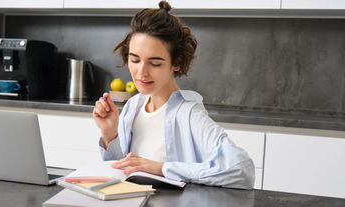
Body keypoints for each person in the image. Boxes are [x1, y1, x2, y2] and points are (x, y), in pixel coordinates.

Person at [93, 1, 255, 189]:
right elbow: (124, 171)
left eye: (155, 63)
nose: (141, 72)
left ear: (176, 63)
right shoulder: (133, 106)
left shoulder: (189, 114)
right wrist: (109, 133)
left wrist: (162, 168)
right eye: (135, 59)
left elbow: (242, 170)